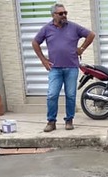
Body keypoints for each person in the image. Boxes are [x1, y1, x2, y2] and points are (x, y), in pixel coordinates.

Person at [32, 3, 96, 132]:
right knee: (52, 95)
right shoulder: (47, 29)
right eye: (61, 13)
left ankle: (69, 120)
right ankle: (51, 121)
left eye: (65, 13)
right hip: (55, 68)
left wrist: (82, 48)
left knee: (71, 95)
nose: (64, 15)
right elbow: (35, 42)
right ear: (53, 15)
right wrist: (44, 60)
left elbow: (91, 35)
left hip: (71, 67)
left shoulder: (73, 27)